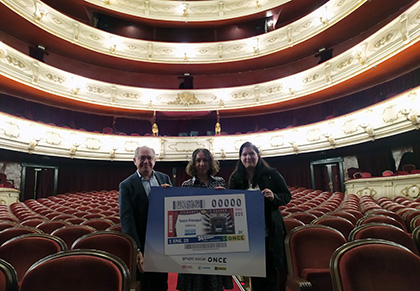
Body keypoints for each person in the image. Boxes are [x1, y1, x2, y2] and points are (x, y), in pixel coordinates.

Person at [228, 142, 291, 291]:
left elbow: (286, 196)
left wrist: (273, 196)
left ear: (257, 156)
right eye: (244, 154)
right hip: (248, 234)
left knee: (270, 274)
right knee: (255, 275)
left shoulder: (272, 174)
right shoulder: (236, 178)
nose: (248, 157)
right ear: (240, 158)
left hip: (269, 232)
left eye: (251, 154)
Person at [176, 148, 233, 291]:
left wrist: (224, 196)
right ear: (193, 164)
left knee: (214, 282)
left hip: (215, 238)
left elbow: (227, 212)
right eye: (198, 160)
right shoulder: (186, 185)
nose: (201, 163)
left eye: (205, 160)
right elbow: (181, 212)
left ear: (210, 163)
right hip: (193, 240)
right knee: (193, 282)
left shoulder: (220, 182)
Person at [119, 146, 172, 291]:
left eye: (149, 158)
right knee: (146, 285)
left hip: (162, 243)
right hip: (142, 245)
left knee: (162, 283)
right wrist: (137, 249)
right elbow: (127, 221)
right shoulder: (126, 185)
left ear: (155, 160)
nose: (146, 161)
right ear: (135, 161)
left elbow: (172, 210)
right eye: (142, 158)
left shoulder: (164, 178)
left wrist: (170, 196)